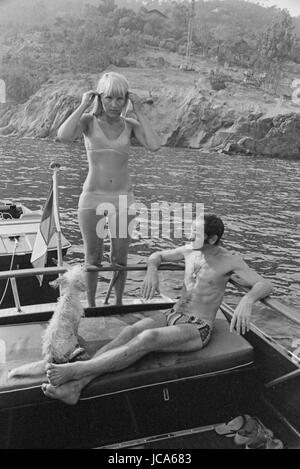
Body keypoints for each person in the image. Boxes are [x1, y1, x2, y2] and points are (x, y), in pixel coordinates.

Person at [42, 214, 273, 405]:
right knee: (128, 332)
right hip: (173, 313)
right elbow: (158, 255)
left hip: (196, 327)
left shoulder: (230, 261)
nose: (190, 235)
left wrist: (248, 299)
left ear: (212, 239)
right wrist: (152, 268)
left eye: (196, 233)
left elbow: (265, 284)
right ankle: (77, 386)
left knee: (147, 338)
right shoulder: (190, 250)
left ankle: (78, 370)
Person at [57, 71, 160, 306]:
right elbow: (63, 135)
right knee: (93, 258)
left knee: (120, 259)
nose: (114, 104)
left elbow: (154, 145)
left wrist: (140, 111)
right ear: (100, 98)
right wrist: (84, 104)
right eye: (109, 98)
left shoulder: (131, 125)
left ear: (126, 100)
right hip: (92, 198)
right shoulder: (88, 121)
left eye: (120, 99)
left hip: (123, 200)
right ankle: (92, 305)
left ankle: (117, 303)